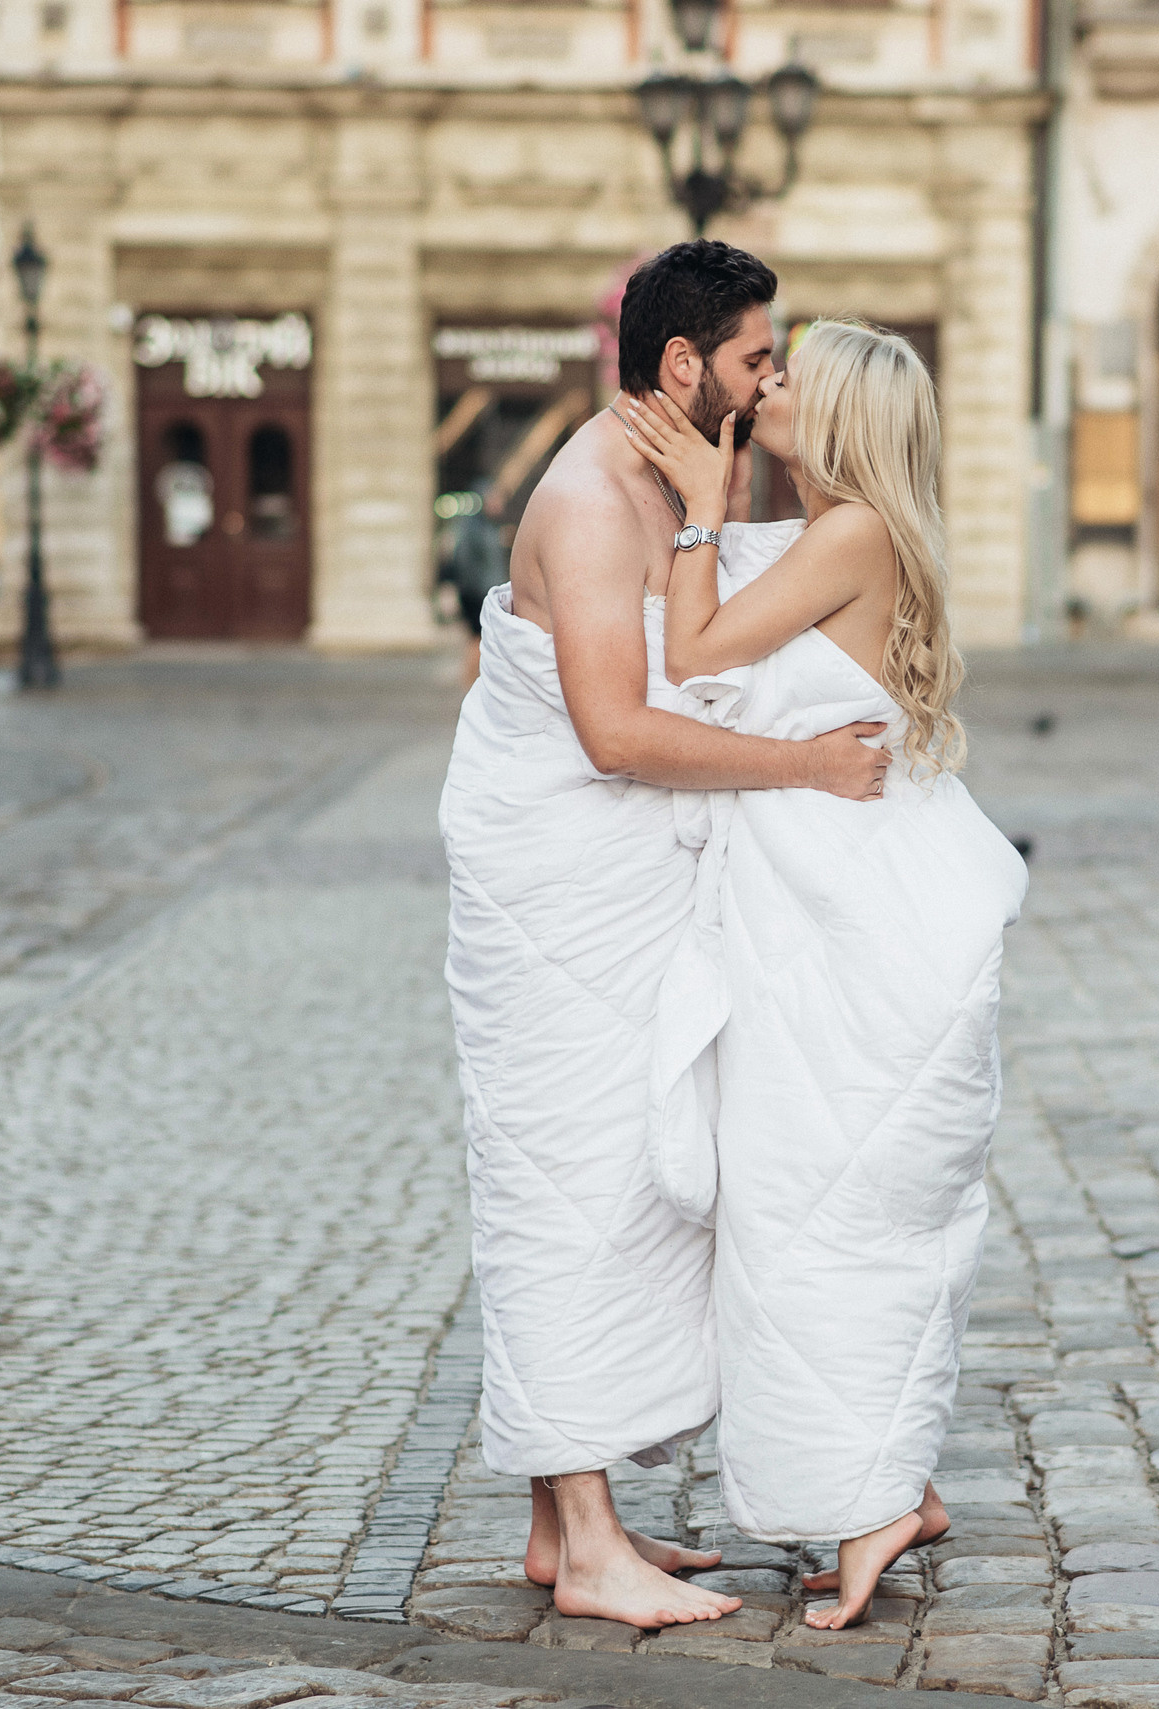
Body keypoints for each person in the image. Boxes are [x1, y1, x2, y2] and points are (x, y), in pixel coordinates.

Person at [436, 241, 891, 1631]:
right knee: (561, 1184)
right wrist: (813, 772)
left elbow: (707, 643)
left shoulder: (683, 471)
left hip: (619, 880)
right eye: (758, 359)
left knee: (616, 1177)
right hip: (556, 881)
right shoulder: (584, 500)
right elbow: (616, 733)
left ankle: (560, 1523)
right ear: (684, 365)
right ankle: (583, 1547)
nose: (772, 383)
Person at [624, 320, 1027, 1627]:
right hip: (819, 911)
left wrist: (698, 510)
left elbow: (692, 657)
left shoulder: (848, 535)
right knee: (812, 1212)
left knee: (823, 1219)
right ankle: (884, 1485)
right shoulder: (838, 536)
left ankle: (875, 1502)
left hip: (848, 923)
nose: (767, 386)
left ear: (845, 412)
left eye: (790, 376)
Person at [440, 482, 510, 691]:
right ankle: (469, 683)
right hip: (476, 594)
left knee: (479, 640)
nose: (499, 504)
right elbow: (464, 562)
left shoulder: (490, 526)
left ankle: (472, 682)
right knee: (477, 639)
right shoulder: (473, 527)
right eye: (495, 499)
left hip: (484, 592)